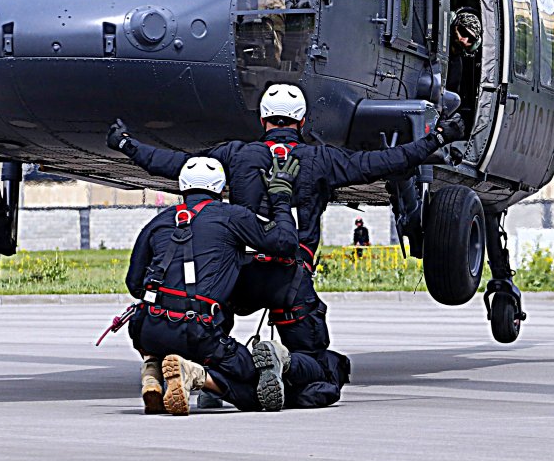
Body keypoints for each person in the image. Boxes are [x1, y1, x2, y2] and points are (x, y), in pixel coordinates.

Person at [108, 83, 463, 358]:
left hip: (237, 277)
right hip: (289, 278)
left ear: (262, 120)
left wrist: (126, 144)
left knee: (210, 331)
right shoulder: (322, 159)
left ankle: (209, 375)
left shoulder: (234, 154)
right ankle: (286, 367)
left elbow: (173, 165)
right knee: (314, 359)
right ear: (302, 122)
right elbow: (384, 163)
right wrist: (436, 139)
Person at [126, 154, 346, 415]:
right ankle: (197, 376)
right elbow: (286, 243)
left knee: (163, 327)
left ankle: (152, 369)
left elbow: (134, 284)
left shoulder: (157, 222)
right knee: (256, 390)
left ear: (182, 186)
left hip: (147, 328)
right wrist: (281, 198)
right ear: (220, 188)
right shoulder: (232, 216)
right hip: (197, 333)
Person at [445, 7, 482, 97]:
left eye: (471, 39)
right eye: (463, 32)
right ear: (454, 24)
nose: (464, 41)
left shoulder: (457, 67)